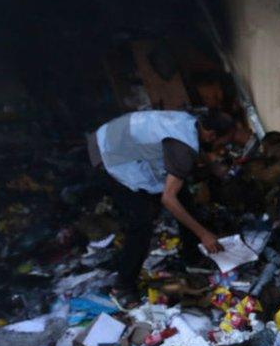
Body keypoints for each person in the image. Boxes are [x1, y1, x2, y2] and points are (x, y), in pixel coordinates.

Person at [88, 108, 235, 304]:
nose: (221, 148)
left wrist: (212, 167)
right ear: (211, 135)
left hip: (118, 137)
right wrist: (203, 234)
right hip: (108, 153)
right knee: (142, 219)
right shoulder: (183, 148)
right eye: (221, 143)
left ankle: (192, 257)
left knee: (182, 193)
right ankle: (122, 286)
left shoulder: (192, 120)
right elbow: (168, 199)